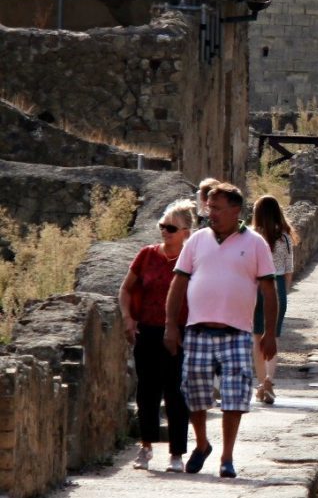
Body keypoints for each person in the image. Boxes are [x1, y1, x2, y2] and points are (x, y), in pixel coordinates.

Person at [164, 183, 278, 479]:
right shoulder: (197, 241)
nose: (209, 213)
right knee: (195, 394)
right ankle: (202, 444)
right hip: (198, 331)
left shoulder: (255, 244)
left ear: (235, 210)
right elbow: (178, 284)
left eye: (216, 208)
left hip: (237, 332)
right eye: (208, 207)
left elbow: (269, 289)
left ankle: (227, 457)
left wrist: (269, 334)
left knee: (234, 394)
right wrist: (171, 326)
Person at [118, 199, 194, 473]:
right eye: (163, 226)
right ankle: (146, 445)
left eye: (171, 227)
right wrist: (127, 317)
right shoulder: (147, 255)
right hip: (148, 331)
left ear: (186, 231)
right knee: (147, 391)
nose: (165, 231)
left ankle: (176, 453)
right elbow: (126, 289)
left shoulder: (192, 260)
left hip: (181, 334)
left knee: (176, 393)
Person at [250, 195, 295, 405]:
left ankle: (261, 383)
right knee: (273, 338)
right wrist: (283, 293)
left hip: (257, 287)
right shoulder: (285, 238)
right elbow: (288, 270)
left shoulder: (252, 237)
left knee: (257, 338)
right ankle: (269, 380)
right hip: (277, 289)